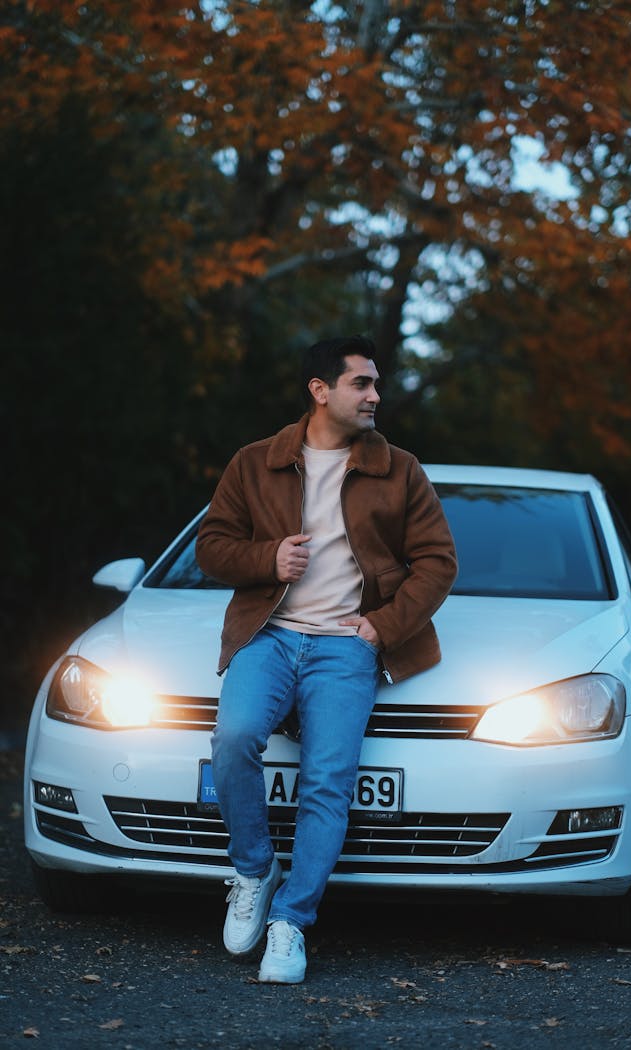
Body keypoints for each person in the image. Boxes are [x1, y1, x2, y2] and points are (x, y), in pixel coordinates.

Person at [195, 335, 457, 983]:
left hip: (346, 648)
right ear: (321, 390)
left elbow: (438, 563)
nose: (376, 396)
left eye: (376, 384)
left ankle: (291, 921)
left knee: (327, 782)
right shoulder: (256, 463)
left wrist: (383, 627)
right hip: (270, 636)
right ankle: (255, 868)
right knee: (231, 740)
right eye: (361, 384)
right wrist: (266, 559)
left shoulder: (401, 470)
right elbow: (211, 546)